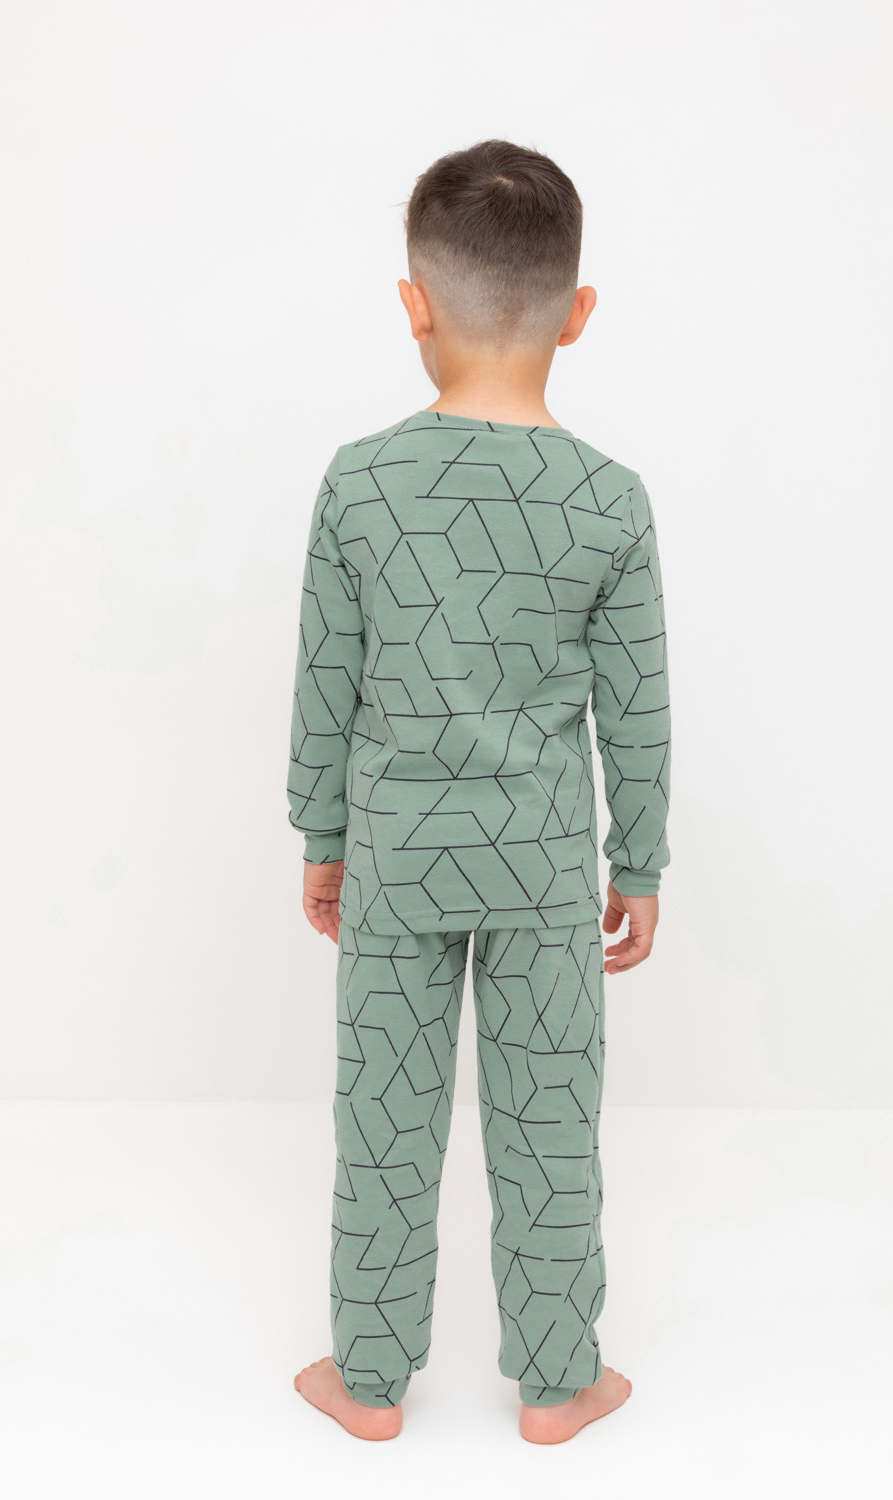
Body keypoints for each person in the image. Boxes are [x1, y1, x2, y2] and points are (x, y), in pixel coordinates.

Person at [286, 138, 672, 1444]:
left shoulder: (359, 481)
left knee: (384, 1119)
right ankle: (561, 1383)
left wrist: (325, 838)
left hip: (399, 857)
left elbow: (327, 683)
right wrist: (640, 864)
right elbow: (636, 708)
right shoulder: (611, 501)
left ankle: (367, 1380)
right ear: (578, 311)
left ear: (414, 304)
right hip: (543, 867)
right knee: (549, 1122)